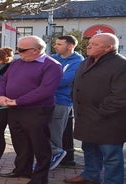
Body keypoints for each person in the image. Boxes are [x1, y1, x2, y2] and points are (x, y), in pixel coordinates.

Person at [0, 35, 62, 184]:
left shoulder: (52, 65)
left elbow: (45, 90)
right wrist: (1, 96)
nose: (18, 52)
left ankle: (40, 178)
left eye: (22, 50)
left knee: (40, 144)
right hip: (14, 109)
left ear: (35, 50)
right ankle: (22, 170)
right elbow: (3, 80)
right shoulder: (17, 63)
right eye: (18, 49)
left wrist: (18, 101)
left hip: (37, 110)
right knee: (20, 141)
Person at [64, 33, 126, 184]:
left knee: (111, 156)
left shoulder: (121, 64)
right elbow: (77, 85)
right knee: (89, 150)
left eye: (95, 44)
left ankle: (114, 181)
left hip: (109, 121)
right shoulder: (87, 62)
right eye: (90, 43)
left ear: (109, 47)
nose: (89, 46)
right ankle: (90, 176)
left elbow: (121, 95)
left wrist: (101, 112)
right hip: (86, 117)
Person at [48, 35, 84, 170]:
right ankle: (50, 156)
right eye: (55, 43)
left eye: (59, 44)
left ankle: (54, 158)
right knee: (38, 129)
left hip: (62, 101)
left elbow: (63, 81)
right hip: (45, 99)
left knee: (54, 132)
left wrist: (45, 81)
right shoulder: (54, 57)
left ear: (70, 46)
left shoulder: (78, 61)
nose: (55, 46)